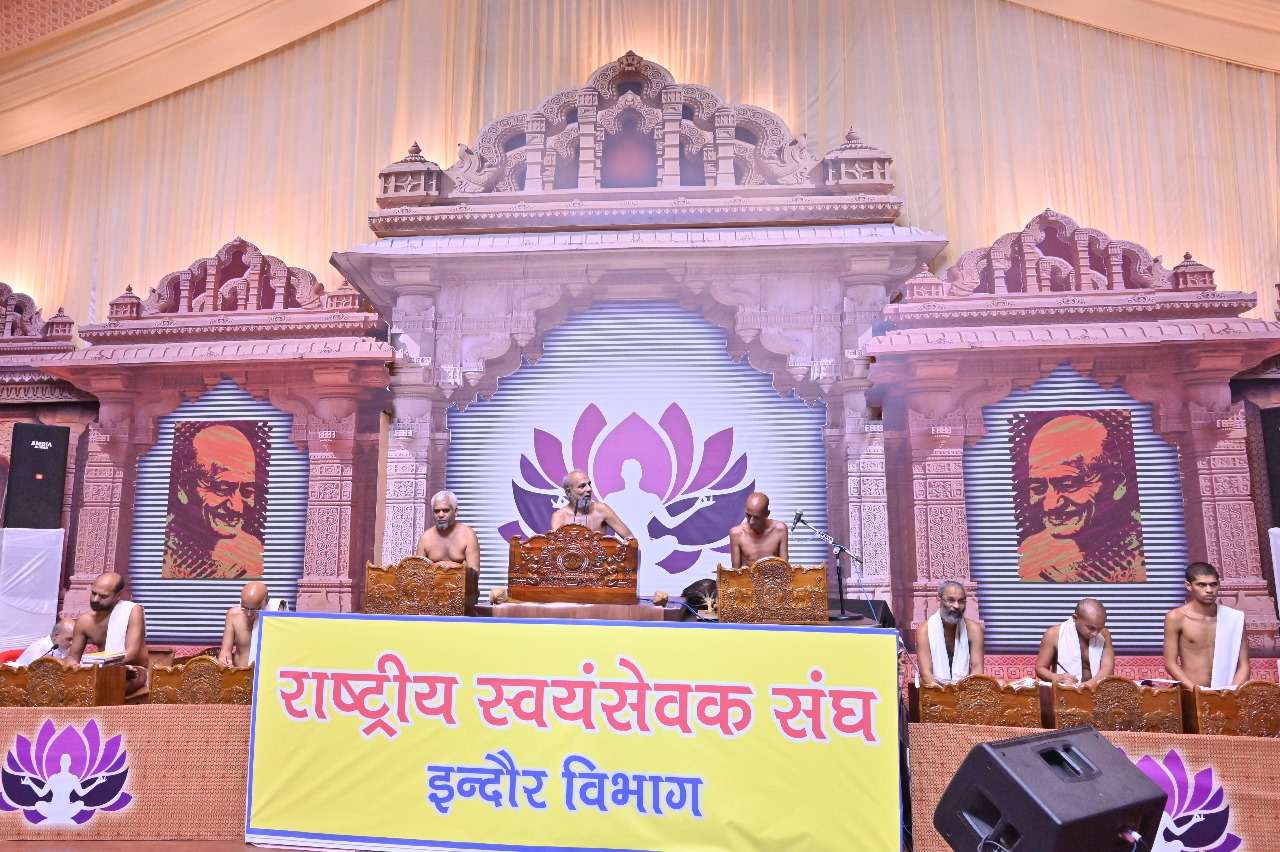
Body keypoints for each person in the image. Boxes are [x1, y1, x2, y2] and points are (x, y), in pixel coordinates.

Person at [1016, 413, 1145, 582]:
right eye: (1038, 488)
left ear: (1117, 485)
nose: (1050, 505)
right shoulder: (1031, 554)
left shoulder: (1150, 553)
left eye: (1069, 484)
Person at [163, 422, 265, 579]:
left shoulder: (255, 556)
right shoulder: (159, 553)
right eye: (222, 489)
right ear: (184, 488)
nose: (237, 507)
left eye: (247, 491)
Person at [1163, 562, 1248, 689]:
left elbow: (1244, 665)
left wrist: (1232, 693)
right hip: (1191, 692)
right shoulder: (1176, 618)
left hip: (1228, 693)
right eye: (1201, 585)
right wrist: (1196, 691)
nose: (1209, 590)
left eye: (1213, 584)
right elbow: (1170, 664)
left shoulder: (1234, 617)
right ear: (1188, 586)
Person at [65, 572, 149, 694]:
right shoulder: (84, 621)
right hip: (100, 671)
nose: (95, 599)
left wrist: (100, 666)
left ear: (118, 595)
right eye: (94, 593)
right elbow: (73, 657)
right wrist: (74, 665)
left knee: (109, 685)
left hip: (133, 670)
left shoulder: (132, 611)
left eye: (103, 596)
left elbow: (131, 654)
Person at [415, 490, 481, 612]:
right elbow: (418, 575)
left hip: (462, 598)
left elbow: (474, 574)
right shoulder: (425, 538)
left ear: (455, 511)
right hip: (432, 600)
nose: (440, 515)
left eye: (445, 510)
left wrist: (451, 574)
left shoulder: (468, 535)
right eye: (436, 511)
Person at [914, 581, 984, 686]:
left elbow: (977, 670)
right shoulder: (924, 630)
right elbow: (926, 674)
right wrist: (946, 694)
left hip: (965, 690)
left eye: (961, 601)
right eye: (951, 600)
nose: (956, 606)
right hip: (933, 690)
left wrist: (963, 693)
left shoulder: (974, 630)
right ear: (939, 601)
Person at [1034, 598, 1115, 688]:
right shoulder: (1054, 634)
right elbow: (1040, 668)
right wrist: (1056, 677)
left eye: (1099, 628)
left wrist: (1085, 687)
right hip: (1064, 691)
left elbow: (1107, 669)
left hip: (1095, 691)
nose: (1095, 633)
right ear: (1075, 618)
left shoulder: (1104, 634)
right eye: (1091, 628)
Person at [549, 470, 634, 539]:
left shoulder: (602, 510)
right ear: (568, 492)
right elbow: (554, 550)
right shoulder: (559, 516)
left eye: (589, 484)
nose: (589, 489)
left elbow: (631, 539)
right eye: (582, 486)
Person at [217, 581, 284, 667]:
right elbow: (225, 651)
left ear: (266, 602)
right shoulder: (233, 615)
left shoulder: (276, 614)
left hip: (266, 672)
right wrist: (225, 662)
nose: (249, 614)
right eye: (244, 608)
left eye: (255, 609)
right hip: (239, 671)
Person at [728, 492, 789, 568]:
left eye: (756, 517)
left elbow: (785, 567)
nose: (751, 522)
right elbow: (735, 571)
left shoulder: (780, 530)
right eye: (748, 515)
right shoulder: (736, 533)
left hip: (773, 575)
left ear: (767, 514)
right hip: (747, 575)